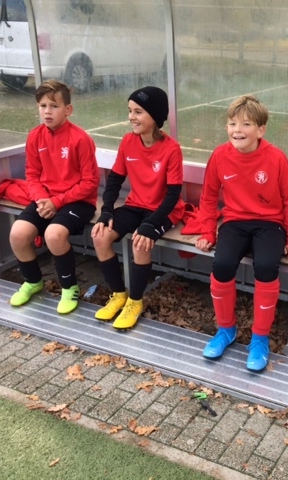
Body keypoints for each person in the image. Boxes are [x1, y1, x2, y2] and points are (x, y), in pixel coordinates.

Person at [194, 94, 288, 372]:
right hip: (235, 221)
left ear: (260, 130)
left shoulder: (276, 158)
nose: (237, 130)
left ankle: (260, 338)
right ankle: (226, 330)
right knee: (222, 265)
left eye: (246, 124)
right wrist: (208, 231)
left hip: (270, 223)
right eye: (232, 124)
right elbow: (208, 197)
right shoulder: (220, 155)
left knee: (265, 266)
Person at [91, 86, 185, 330]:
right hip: (136, 205)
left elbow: (173, 196)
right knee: (100, 236)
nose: (131, 117)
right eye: (130, 111)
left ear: (155, 116)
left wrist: (150, 223)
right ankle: (118, 295)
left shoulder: (172, 148)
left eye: (138, 112)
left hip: (164, 210)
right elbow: (114, 181)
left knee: (140, 241)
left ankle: (135, 301)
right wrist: (107, 211)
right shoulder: (127, 141)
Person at [9, 80, 99, 314]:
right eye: (43, 106)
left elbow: (90, 183)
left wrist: (56, 202)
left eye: (54, 106)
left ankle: (69, 288)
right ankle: (33, 281)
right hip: (45, 200)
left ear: (68, 110)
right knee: (18, 234)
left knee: (54, 234)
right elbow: (32, 174)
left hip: (79, 201)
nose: (47, 111)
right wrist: (41, 200)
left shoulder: (80, 139)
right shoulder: (35, 136)